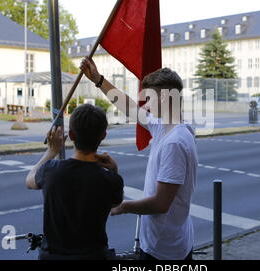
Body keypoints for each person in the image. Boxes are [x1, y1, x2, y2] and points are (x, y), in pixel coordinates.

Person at [80, 57, 198, 260]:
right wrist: (99, 80)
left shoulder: (174, 143)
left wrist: (124, 206)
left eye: (149, 99)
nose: (146, 105)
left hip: (164, 250)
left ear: (162, 99)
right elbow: (131, 107)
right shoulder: (167, 128)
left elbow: (161, 204)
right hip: (169, 241)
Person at [25, 104, 124, 260]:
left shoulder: (50, 170)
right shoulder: (110, 179)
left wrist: (51, 152)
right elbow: (113, 204)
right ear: (103, 135)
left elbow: (29, 180)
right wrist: (114, 171)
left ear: (71, 135)